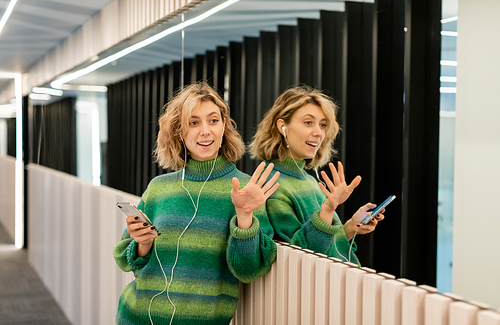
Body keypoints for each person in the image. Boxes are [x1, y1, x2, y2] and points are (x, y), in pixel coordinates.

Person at [113, 82, 279, 325]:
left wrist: (244, 216)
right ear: (180, 131)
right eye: (194, 122)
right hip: (136, 316)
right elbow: (124, 259)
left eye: (213, 120)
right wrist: (142, 244)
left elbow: (248, 270)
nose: (205, 131)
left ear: (224, 126)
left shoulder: (247, 190)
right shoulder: (160, 187)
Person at [249, 86, 384, 265]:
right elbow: (298, 257)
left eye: (322, 125)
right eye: (308, 122)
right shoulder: (272, 184)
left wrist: (351, 227)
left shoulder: (309, 180)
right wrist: (328, 209)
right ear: (283, 127)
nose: (319, 132)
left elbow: (326, 246)